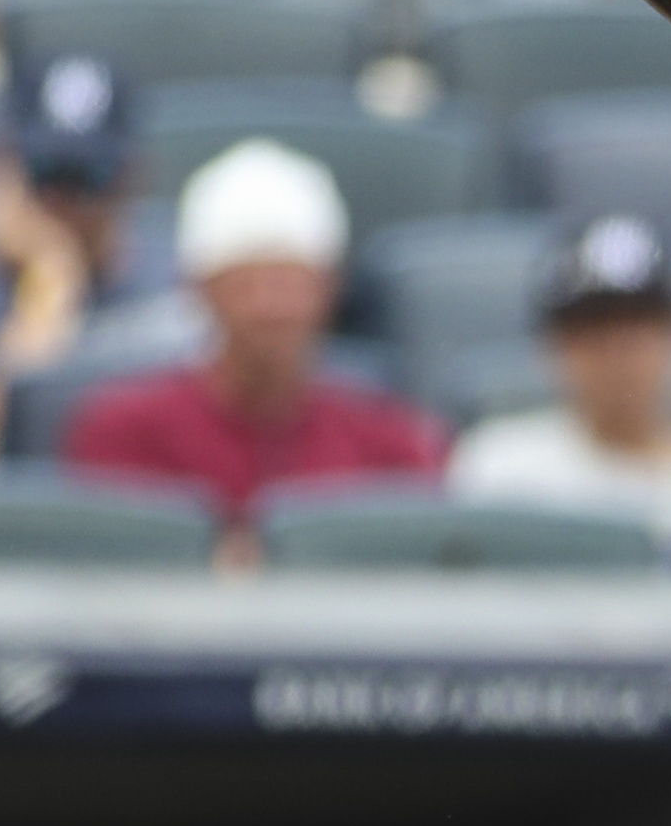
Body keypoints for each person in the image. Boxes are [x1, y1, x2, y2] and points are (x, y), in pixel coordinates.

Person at [64, 140, 444, 559]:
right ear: (201, 290)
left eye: (290, 285)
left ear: (329, 289)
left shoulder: (392, 445)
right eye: (245, 286)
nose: (269, 308)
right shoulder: (124, 432)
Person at [0, 55, 191, 469]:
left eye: (88, 178)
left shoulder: (182, 299)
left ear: (133, 179)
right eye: (43, 173)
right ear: (0, 173)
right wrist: (47, 283)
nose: (63, 202)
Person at [445, 214, 671, 538]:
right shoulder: (501, 469)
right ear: (552, 346)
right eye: (593, 329)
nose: (617, 353)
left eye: (638, 327)